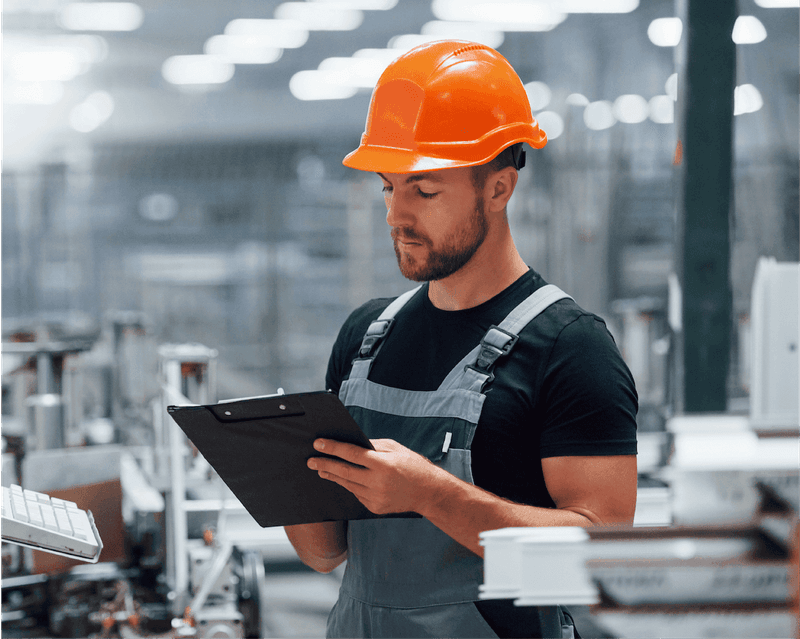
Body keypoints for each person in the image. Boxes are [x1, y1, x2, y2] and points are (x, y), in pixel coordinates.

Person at [285, 40, 638, 639]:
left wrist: (431, 495)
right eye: (388, 187)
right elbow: (327, 554)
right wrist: (274, 473)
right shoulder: (364, 340)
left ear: (498, 189)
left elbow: (598, 560)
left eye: (424, 191)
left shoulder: (570, 349)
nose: (397, 215)